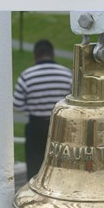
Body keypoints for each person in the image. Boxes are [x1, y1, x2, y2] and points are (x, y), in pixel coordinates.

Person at [13, 39, 73, 181]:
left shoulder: (27, 76)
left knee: (35, 167)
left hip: (36, 127)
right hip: (62, 127)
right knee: (62, 166)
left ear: (35, 55)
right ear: (52, 54)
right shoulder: (68, 74)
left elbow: (17, 105)